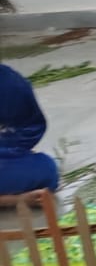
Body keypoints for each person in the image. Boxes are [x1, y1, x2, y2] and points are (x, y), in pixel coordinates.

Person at [0, 63, 59, 208]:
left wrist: (11, 149)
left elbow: (29, 126)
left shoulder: (8, 81)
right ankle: (13, 199)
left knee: (44, 169)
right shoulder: (10, 80)